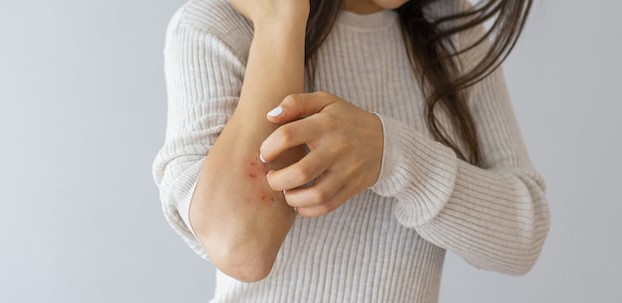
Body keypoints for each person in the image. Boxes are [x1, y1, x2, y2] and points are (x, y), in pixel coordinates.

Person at [152, 0, 550, 301]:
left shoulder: (451, 30)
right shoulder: (220, 25)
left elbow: (522, 238)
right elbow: (243, 248)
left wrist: (393, 156)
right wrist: (281, 22)